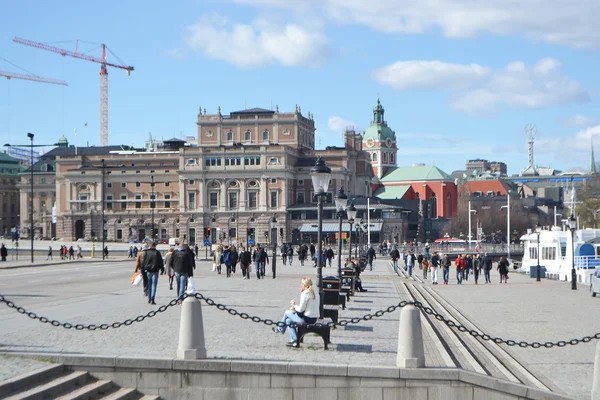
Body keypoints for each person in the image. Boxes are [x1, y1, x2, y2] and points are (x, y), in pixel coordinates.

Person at [272, 277, 320, 348]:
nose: (301, 286)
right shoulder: (315, 292)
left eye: (302, 284)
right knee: (288, 321)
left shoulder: (305, 293)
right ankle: (294, 340)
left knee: (287, 312)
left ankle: (280, 329)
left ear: (306, 286)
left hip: (306, 319)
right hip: (314, 318)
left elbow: (300, 309)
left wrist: (294, 305)